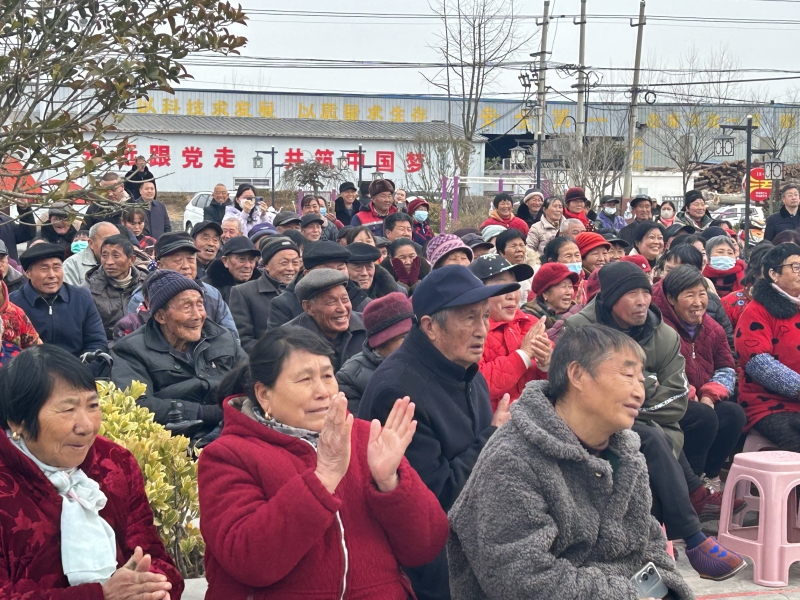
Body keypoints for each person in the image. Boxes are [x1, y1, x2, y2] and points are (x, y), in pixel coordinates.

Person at [198, 327, 448, 600]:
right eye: (304, 379)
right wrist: (323, 478)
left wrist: (390, 482)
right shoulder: (228, 455)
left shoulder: (366, 438)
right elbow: (249, 560)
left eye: (328, 376)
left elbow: (427, 545)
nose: (322, 392)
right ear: (264, 394)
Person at [447, 325, 695, 600]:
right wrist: (630, 595)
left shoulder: (627, 456)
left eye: (641, 379)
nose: (640, 392)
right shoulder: (511, 459)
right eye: (628, 376)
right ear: (577, 375)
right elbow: (522, 580)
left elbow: (649, 547)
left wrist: (666, 591)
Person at [561, 261, 745, 580]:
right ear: (611, 298)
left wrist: (628, 397)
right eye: (632, 294)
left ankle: (664, 544)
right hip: (591, 423)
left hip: (655, 423)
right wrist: (645, 384)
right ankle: (693, 536)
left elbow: (677, 397)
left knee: (678, 427)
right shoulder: (581, 329)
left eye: (646, 292)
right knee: (648, 439)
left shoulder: (663, 334)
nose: (642, 301)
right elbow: (579, 389)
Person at [358, 265, 517, 600]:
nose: (482, 330)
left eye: (484, 316)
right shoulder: (398, 393)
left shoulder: (465, 368)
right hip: (433, 567)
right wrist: (494, 436)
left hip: (480, 537)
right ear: (430, 326)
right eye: (469, 318)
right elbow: (435, 499)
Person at [0, 344, 183, 599]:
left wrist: (150, 588)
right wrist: (100, 596)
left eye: (93, 405)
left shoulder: (113, 463)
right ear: (17, 421)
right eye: (68, 409)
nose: (86, 426)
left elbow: (154, 557)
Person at [112, 269, 246, 435]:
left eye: (200, 304)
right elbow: (136, 404)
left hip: (231, 427)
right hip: (176, 435)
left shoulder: (222, 337)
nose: (197, 315)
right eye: (186, 307)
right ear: (160, 316)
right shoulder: (131, 349)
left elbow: (253, 379)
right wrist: (203, 413)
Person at [653, 265, 746, 488]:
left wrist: (710, 394)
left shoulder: (713, 329)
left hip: (703, 400)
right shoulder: (658, 328)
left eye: (702, 294)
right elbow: (658, 369)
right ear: (671, 299)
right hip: (668, 398)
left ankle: (709, 478)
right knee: (702, 418)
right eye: (689, 295)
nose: (698, 303)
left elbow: (726, 367)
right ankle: (691, 486)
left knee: (733, 414)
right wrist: (691, 394)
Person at [735, 242, 800, 450]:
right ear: (774, 274)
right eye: (796, 267)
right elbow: (757, 362)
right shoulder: (757, 310)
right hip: (767, 403)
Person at [126, 232, 240, 343]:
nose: (186, 266)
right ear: (160, 266)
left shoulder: (212, 294)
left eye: (191, 259)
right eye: (178, 260)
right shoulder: (143, 298)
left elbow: (231, 338)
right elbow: (140, 342)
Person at [470, 254, 550, 408]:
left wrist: (546, 364)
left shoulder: (530, 323)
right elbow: (479, 383)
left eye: (514, 286)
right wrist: (523, 355)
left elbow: (554, 383)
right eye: (502, 287)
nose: (512, 296)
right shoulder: (470, 332)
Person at [11, 243, 107, 363]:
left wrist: (82, 370)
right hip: (32, 369)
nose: (52, 275)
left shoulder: (81, 297)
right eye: (44, 269)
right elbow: (10, 350)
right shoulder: (14, 303)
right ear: (28, 273)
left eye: (57, 268)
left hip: (76, 368)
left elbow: (97, 342)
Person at [337, 292, 414, 414]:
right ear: (382, 343)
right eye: (404, 337)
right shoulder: (351, 377)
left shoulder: (426, 362)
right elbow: (357, 423)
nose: (413, 342)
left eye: (414, 334)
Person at [267, 241, 368, 330]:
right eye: (327, 270)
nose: (335, 274)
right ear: (307, 274)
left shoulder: (361, 300)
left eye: (340, 268)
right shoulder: (284, 304)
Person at [283, 269, 367, 369]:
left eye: (345, 299)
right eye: (331, 302)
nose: (342, 309)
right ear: (308, 307)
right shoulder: (289, 339)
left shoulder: (368, 325)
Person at [656, 244, 735, 349]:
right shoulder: (651, 304)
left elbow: (728, 345)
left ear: (699, 272)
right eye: (669, 270)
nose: (673, 277)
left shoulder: (712, 301)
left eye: (682, 272)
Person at [229, 236, 300, 352]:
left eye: (295, 262)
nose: (291, 268)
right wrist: (279, 355)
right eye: (284, 263)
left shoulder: (305, 291)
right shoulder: (243, 292)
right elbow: (243, 340)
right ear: (266, 265)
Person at [84, 235, 149, 342]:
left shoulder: (146, 283)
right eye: (104, 256)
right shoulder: (90, 289)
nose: (109, 262)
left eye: (116, 256)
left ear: (131, 259)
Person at [721, 242, 773, 330]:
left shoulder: (793, 302)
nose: (775, 275)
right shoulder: (729, 302)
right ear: (755, 272)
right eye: (769, 270)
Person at [201, 236, 261, 304]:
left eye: (251, 260)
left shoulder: (261, 287)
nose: (247, 265)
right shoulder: (206, 288)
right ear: (225, 261)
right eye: (241, 259)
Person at [63, 221, 122, 286]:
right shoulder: (72, 264)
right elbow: (70, 291)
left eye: (117, 240)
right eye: (107, 240)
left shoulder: (124, 260)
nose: (114, 245)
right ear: (91, 243)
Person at [522, 262, 579, 329]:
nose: (569, 292)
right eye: (563, 286)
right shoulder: (529, 318)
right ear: (545, 293)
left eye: (570, 286)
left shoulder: (577, 312)